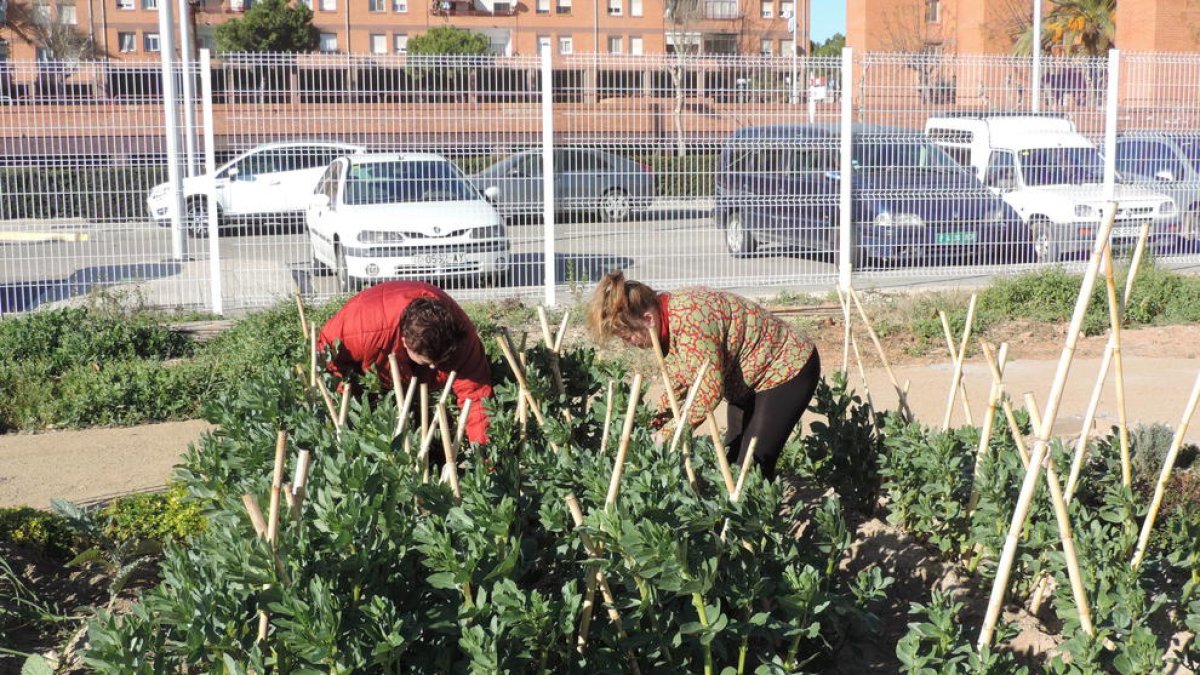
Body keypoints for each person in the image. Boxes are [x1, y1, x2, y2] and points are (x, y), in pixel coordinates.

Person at [587, 271, 820, 479]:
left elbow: (709, 391)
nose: (629, 344)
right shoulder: (666, 323)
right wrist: (655, 422)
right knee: (730, 463)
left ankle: (761, 513)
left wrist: (666, 434)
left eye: (628, 337)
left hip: (785, 368)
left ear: (648, 319)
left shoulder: (690, 320)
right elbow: (680, 380)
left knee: (751, 470)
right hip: (746, 381)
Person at [318, 281, 493, 444]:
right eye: (427, 362)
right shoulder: (358, 330)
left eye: (440, 361)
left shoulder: (461, 337)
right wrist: (355, 408)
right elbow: (329, 361)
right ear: (405, 342)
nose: (434, 367)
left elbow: (475, 395)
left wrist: (484, 455)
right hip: (375, 339)